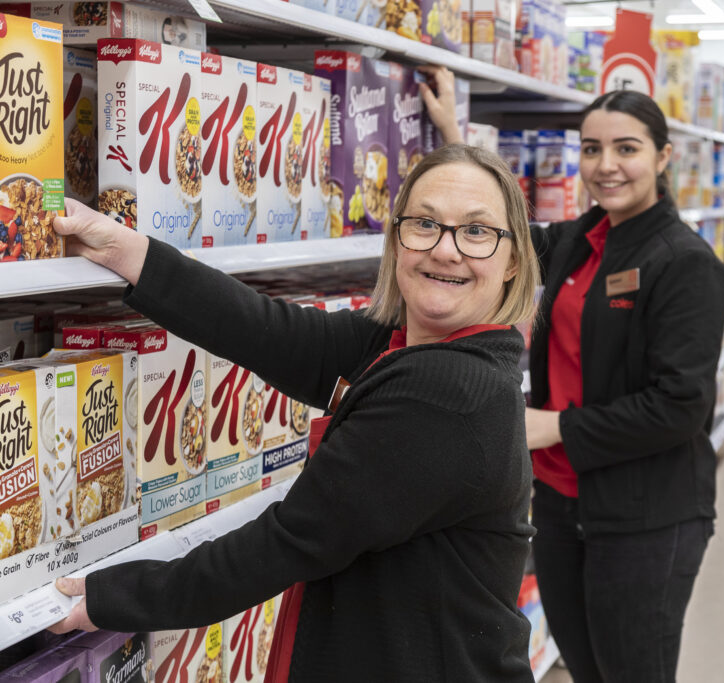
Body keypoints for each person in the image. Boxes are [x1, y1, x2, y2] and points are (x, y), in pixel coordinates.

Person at [47, 141, 542, 682]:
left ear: (513, 258)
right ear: (396, 238)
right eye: (425, 223)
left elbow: (288, 542)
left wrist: (112, 597)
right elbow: (269, 331)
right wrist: (122, 248)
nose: (445, 250)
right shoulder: (410, 347)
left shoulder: (448, 392)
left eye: (476, 232)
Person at [434, 89, 724, 681]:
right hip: (561, 502)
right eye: (592, 148)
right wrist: (454, 140)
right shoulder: (583, 239)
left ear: (663, 157)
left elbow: (681, 405)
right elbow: (506, 230)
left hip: (645, 516)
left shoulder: (686, 264)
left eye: (627, 148)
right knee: (585, 668)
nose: (606, 165)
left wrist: (554, 426)